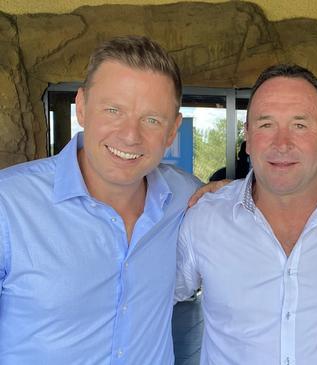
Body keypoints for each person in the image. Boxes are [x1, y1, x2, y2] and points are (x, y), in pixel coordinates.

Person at [0, 35, 200, 364]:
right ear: (81, 107)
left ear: (172, 131)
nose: (130, 135)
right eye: (113, 110)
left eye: (152, 119)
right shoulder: (9, 206)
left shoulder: (188, 198)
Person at [175, 64, 317, 364]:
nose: (282, 143)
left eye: (300, 125)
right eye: (266, 124)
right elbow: (147, 302)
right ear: (248, 138)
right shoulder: (204, 219)